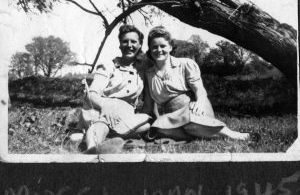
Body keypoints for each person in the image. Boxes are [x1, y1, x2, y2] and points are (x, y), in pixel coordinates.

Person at [143, 26, 249, 141]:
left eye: (162, 46)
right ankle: (198, 135)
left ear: (170, 47)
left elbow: (199, 88)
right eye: (154, 47)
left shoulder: (185, 64)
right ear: (150, 49)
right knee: (159, 128)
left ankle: (232, 134)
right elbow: (148, 106)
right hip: (172, 116)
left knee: (191, 124)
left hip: (194, 109)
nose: (159, 50)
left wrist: (200, 102)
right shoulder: (149, 74)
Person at [74, 25, 151, 154]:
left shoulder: (143, 69)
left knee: (146, 124)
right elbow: (91, 94)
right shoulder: (109, 66)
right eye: (125, 41)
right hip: (103, 108)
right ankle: (92, 150)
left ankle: (110, 138)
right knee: (100, 124)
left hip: (125, 114)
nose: (129, 45)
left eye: (133, 41)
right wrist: (107, 106)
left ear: (140, 44)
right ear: (120, 44)